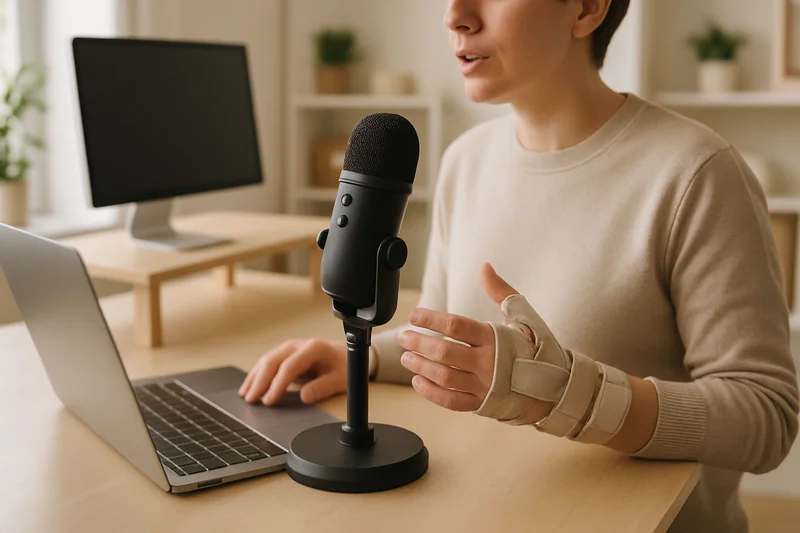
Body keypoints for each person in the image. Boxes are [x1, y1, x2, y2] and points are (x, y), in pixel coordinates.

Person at [239, 1, 799, 531]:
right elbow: (453, 339)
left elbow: (766, 418)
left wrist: (573, 397)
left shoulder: (697, 173)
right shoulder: (464, 160)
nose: (454, 16)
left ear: (585, 8)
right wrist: (367, 359)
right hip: (477, 511)